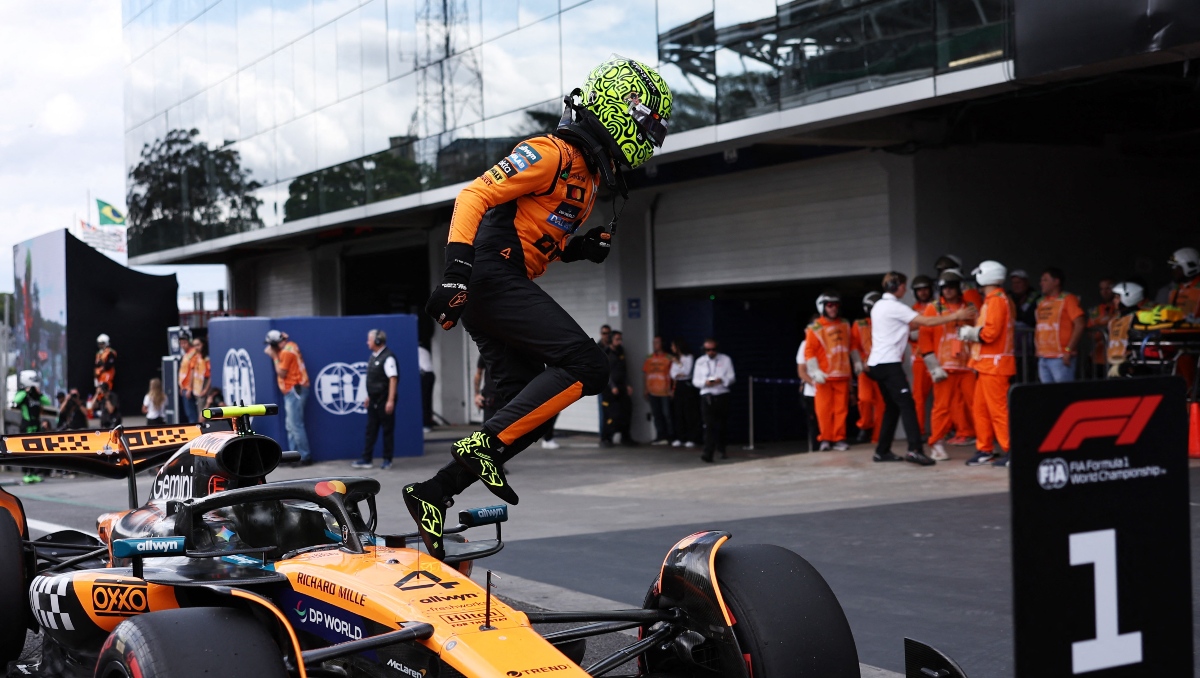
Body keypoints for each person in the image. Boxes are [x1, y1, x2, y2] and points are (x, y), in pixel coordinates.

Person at [404, 56, 674, 560]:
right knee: (590, 364)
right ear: (621, 109)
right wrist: (456, 272)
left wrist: (577, 247)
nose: (649, 143)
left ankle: (433, 493)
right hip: (488, 277)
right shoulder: (551, 154)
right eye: (648, 129)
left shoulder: (589, 180)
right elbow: (473, 196)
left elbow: (534, 237)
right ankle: (477, 450)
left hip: (504, 281)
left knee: (520, 413)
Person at [867, 273, 975, 466]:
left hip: (876, 364)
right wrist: (956, 316)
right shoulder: (895, 307)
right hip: (889, 363)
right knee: (907, 405)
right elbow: (926, 322)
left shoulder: (879, 306)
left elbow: (912, 325)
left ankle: (882, 451)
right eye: (904, 285)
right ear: (896, 286)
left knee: (892, 408)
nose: (905, 289)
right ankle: (914, 450)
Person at [959, 260, 1017, 467]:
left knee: (998, 410)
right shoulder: (994, 299)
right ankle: (984, 449)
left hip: (995, 365)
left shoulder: (997, 301)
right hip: (987, 365)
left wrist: (970, 333)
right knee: (981, 409)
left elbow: (991, 333)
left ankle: (1011, 451)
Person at [920, 269, 978, 461]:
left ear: (959, 288)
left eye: (952, 287)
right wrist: (932, 365)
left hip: (966, 366)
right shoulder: (933, 308)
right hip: (943, 367)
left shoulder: (969, 307)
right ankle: (936, 444)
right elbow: (924, 337)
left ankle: (984, 443)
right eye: (945, 288)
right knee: (942, 407)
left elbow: (979, 332)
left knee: (977, 405)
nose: (948, 291)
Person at [805, 291, 852, 451]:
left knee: (841, 410)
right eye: (829, 305)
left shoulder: (845, 324)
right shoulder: (815, 328)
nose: (833, 309)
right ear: (823, 307)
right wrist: (814, 371)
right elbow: (809, 351)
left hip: (842, 374)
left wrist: (858, 362)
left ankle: (839, 438)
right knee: (823, 410)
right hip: (823, 377)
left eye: (835, 305)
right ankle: (825, 439)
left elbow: (851, 346)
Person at [265, 329, 311, 465]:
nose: (272, 348)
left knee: (296, 425)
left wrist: (274, 357)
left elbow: (281, 372)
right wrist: (281, 340)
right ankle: (294, 457)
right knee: (290, 426)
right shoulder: (291, 345)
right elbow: (269, 347)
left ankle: (305, 456)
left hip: (295, 389)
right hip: (293, 390)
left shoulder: (285, 352)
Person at [354, 329, 398, 470]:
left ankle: (387, 459)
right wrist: (369, 396)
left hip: (384, 400)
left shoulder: (388, 357)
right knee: (370, 430)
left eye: (369, 339)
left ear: (377, 341)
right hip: (373, 400)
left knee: (387, 431)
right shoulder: (374, 356)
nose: (367, 342)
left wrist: (390, 400)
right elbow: (373, 380)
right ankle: (367, 459)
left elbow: (393, 379)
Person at [1034, 267, 1085, 383]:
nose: (1041, 283)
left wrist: (1068, 350)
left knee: (1063, 395)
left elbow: (1080, 324)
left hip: (1061, 357)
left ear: (1056, 282)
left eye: (1045, 280)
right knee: (1048, 395)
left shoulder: (1068, 299)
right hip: (1044, 357)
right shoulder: (1041, 302)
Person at [693, 338, 735, 463]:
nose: (711, 352)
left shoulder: (726, 359)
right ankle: (708, 452)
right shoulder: (700, 362)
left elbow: (732, 377)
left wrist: (721, 380)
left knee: (722, 424)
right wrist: (705, 383)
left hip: (722, 394)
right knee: (709, 425)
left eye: (713, 350)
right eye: (708, 350)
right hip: (707, 395)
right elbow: (695, 381)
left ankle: (722, 448)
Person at [850, 293, 884, 444]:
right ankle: (865, 425)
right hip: (865, 369)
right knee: (864, 399)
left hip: (882, 368)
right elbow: (854, 346)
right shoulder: (859, 324)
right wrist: (859, 363)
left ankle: (878, 437)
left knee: (881, 405)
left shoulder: (886, 323)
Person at [13, 371, 52, 484]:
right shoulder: (22, 393)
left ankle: (34, 473)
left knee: (36, 451)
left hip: (36, 425)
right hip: (26, 426)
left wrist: (38, 393)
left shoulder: (36, 394)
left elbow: (47, 401)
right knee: (25, 451)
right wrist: (26, 391)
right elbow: (17, 400)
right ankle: (27, 473)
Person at [909, 275, 935, 436]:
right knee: (918, 397)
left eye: (925, 288)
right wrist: (930, 331)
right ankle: (918, 431)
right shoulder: (911, 311)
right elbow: (910, 335)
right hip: (920, 358)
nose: (923, 292)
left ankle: (949, 430)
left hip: (940, 357)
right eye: (919, 290)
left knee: (946, 397)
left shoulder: (939, 306)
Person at [1105, 282, 1146, 378]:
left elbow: (1137, 345)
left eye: (1117, 297)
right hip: (1115, 365)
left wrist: (1128, 365)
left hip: (1131, 367)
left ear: (1128, 297)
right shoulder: (1115, 320)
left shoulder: (1137, 318)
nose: (1114, 301)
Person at [601, 330, 634, 447]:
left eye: (620, 339)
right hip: (610, 388)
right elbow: (606, 372)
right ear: (611, 340)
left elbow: (624, 370)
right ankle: (606, 438)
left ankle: (625, 437)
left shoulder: (621, 351)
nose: (619, 342)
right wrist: (612, 386)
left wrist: (628, 384)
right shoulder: (606, 353)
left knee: (626, 411)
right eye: (617, 339)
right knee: (611, 414)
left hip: (622, 386)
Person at [1008, 269, 1039, 383]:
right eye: (1014, 283)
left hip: (1029, 348)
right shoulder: (1008, 296)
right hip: (1012, 348)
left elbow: (1030, 318)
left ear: (1026, 283)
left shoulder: (1035, 296)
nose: (1016, 286)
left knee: (1028, 376)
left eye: (1019, 282)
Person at [669, 338, 701, 448]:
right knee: (678, 412)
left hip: (687, 385)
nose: (671, 348)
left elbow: (687, 371)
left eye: (673, 346)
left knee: (689, 412)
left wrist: (678, 363)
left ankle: (691, 437)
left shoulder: (689, 357)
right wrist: (678, 372)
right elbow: (672, 374)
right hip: (678, 385)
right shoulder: (675, 359)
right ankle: (680, 437)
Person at [643, 336, 674, 444]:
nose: (654, 345)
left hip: (664, 390)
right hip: (653, 391)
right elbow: (646, 373)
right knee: (656, 414)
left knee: (667, 414)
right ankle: (660, 435)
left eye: (657, 342)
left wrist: (672, 389)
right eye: (653, 342)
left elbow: (674, 375)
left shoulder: (668, 357)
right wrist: (646, 388)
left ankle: (671, 436)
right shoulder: (649, 357)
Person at [796, 320, 821, 452]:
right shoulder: (804, 345)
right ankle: (815, 449)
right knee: (814, 423)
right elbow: (801, 371)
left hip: (829, 390)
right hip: (812, 392)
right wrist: (814, 383)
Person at [1087, 277, 1119, 379]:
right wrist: (1104, 328)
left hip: (1117, 356)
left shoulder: (1121, 308)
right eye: (1102, 289)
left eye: (1108, 288)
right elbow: (1091, 333)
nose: (1104, 292)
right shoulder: (1095, 310)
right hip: (1098, 357)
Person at [177, 332, 199, 423]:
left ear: (189, 342)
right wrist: (182, 387)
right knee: (188, 413)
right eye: (181, 343)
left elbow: (192, 372)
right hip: (184, 387)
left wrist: (189, 388)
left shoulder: (193, 353)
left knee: (191, 413)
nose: (183, 345)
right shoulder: (186, 355)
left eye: (185, 343)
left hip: (189, 388)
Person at [188, 337, 211, 419]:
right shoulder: (195, 357)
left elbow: (210, 376)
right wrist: (189, 388)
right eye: (194, 346)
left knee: (203, 413)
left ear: (203, 344)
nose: (196, 348)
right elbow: (192, 372)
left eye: (198, 345)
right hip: (196, 390)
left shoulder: (207, 358)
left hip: (203, 389)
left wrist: (205, 390)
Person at [596, 325, 612, 433]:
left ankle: (611, 434)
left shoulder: (614, 347)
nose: (606, 336)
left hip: (614, 383)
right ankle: (604, 436)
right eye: (604, 333)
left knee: (612, 411)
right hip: (603, 384)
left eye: (608, 333)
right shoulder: (598, 347)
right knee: (603, 410)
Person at [418, 343, 435, 432]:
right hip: (430, 374)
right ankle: (428, 422)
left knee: (423, 400)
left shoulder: (416, 351)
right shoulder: (424, 350)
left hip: (424, 375)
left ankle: (425, 424)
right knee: (428, 399)